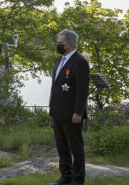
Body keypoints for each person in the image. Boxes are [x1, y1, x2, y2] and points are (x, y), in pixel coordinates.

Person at [50, 29, 89, 185]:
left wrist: (78, 112)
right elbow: (55, 86)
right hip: (58, 112)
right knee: (62, 146)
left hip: (72, 114)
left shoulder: (80, 62)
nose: (58, 45)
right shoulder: (59, 61)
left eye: (61, 43)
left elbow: (82, 90)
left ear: (70, 44)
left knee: (76, 147)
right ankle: (65, 176)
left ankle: (78, 179)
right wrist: (52, 108)